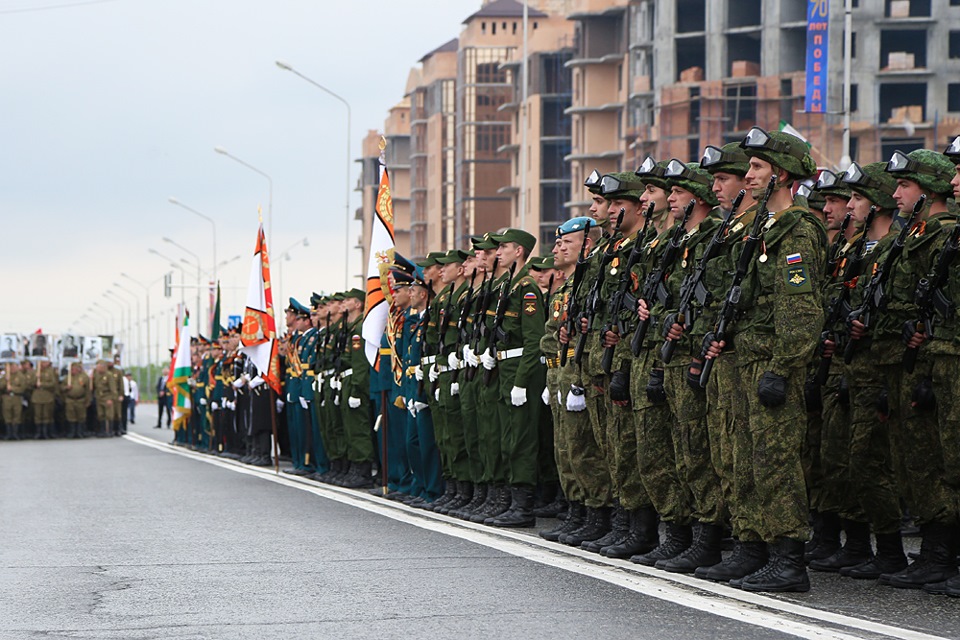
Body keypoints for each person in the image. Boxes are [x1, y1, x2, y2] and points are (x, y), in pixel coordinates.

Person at [63, 362, 92, 438]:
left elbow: (87, 390)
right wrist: (66, 387)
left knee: (81, 417)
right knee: (71, 416)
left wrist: (88, 400)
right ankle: (72, 432)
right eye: (72, 369)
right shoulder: (68, 378)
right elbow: (61, 388)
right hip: (70, 400)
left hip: (80, 400)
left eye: (75, 369)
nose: (73, 371)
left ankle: (80, 432)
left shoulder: (84, 377)